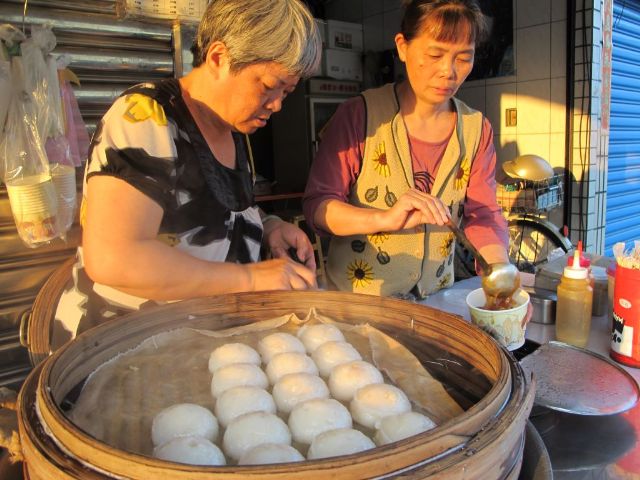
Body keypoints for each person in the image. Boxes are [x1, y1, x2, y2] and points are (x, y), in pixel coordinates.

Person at [53, 0, 322, 347]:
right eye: (269, 85)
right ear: (218, 58)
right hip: (127, 344)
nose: (277, 105)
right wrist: (250, 279)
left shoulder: (231, 128)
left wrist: (268, 227)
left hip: (205, 339)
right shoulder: (147, 117)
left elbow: (212, 213)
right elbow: (113, 257)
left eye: (287, 91)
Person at [303, 0, 512, 299]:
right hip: (361, 303)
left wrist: (502, 276)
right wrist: (384, 218)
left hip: (436, 301)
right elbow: (318, 206)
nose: (448, 71)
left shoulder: (477, 130)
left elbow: (485, 215)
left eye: (464, 58)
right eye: (435, 54)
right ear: (402, 47)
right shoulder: (360, 116)